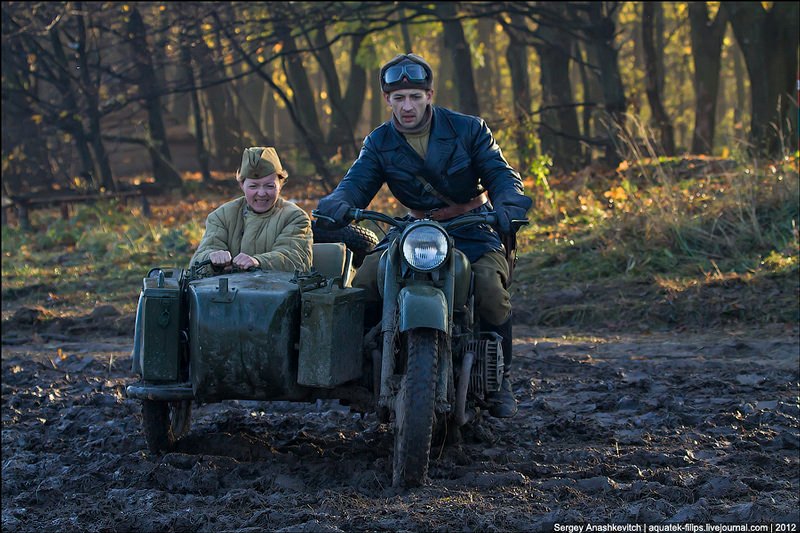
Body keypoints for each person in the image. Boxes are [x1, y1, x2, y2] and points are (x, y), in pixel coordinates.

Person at [314, 53, 532, 418]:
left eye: (415, 96)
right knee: (365, 282)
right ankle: (362, 373)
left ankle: (500, 381)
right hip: (413, 229)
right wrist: (338, 202)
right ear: (387, 100)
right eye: (398, 98)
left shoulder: (469, 129)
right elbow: (356, 182)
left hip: (471, 226)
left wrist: (508, 203)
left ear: (430, 94)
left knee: (491, 290)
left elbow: (499, 172)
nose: (407, 106)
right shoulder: (379, 142)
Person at [191, 146, 312, 272]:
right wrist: (212, 258)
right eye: (253, 186)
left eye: (269, 186)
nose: (261, 193)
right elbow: (198, 262)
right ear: (242, 185)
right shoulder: (221, 216)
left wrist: (258, 262)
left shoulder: (295, 217)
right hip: (228, 290)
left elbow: (294, 258)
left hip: (277, 289)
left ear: (280, 185)